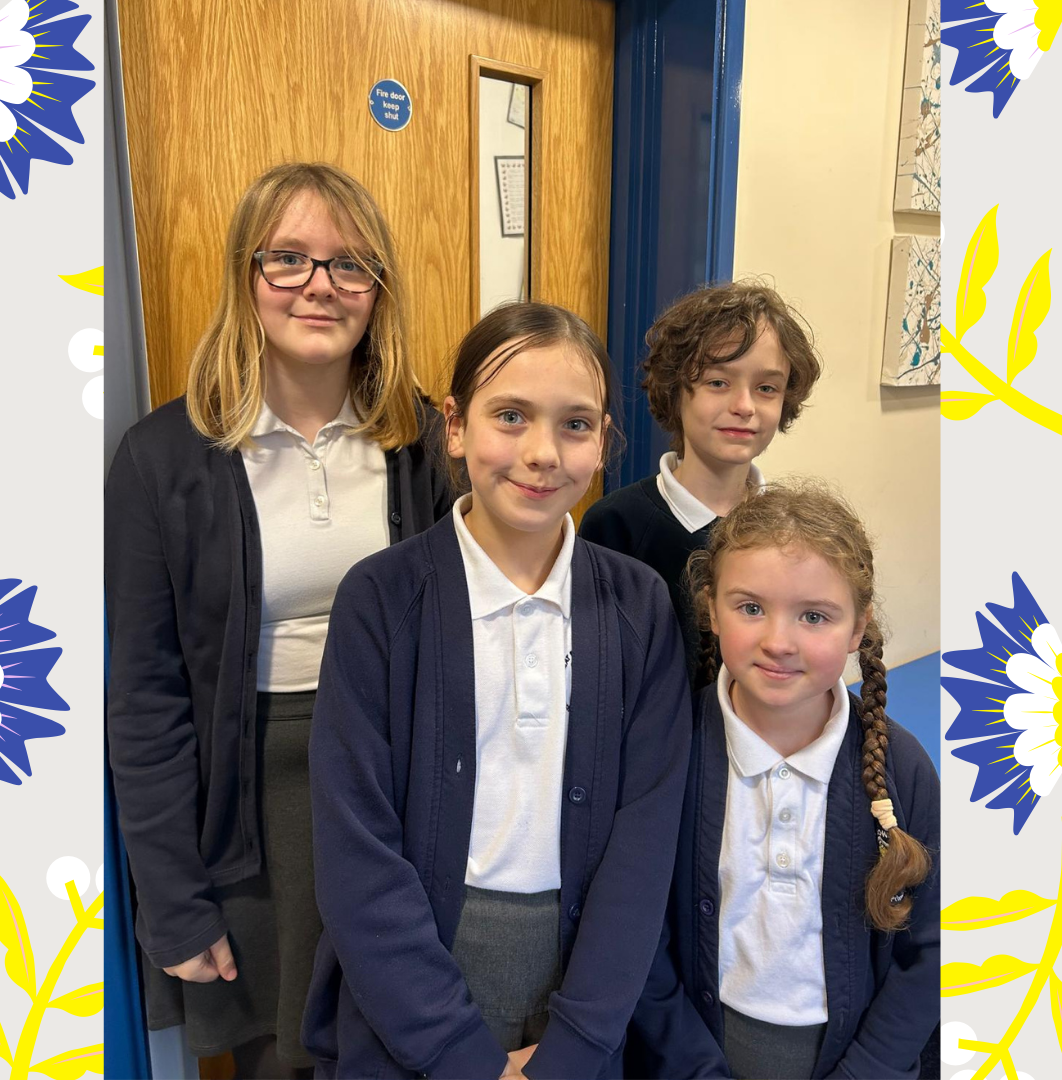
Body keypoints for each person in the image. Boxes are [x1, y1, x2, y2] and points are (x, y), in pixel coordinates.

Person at [105, 162, 451, 1079]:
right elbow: (144, 701)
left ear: (378, 289)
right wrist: (174, 904)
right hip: (251, 812)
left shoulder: (421, 443)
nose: (319, 286)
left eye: (350, 264)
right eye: (288, 258)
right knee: (279, 1061)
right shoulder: (162, 460)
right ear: (246, 275)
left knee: (400, 1042)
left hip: (392, 788)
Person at [303, 302, 693, 1080]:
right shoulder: (381, 599)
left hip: (579, 994)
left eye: (574, 425)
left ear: (604, 440)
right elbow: (356, 849)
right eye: (510, 416)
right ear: (455, 426)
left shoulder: (640, 605)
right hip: (410, 999)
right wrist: (457, 1054)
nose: (542, 453)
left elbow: (645, 844)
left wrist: (577, 1045)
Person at [628, 481, 940, 1080]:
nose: (778, 642)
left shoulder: (902, 770)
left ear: (858, 629)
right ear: (710, 609)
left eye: (814, 616)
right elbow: (637, 933)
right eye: (750, 608)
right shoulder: (667, 749)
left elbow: (932, 952)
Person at [579, 281, 822, 687]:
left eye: (766, 388)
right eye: (718, 382)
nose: (744, 406)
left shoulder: (795, 534)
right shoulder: (615, 526)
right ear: (675, 392)